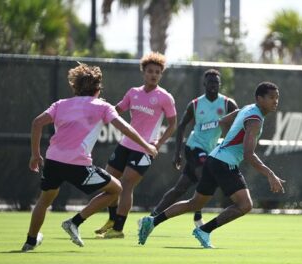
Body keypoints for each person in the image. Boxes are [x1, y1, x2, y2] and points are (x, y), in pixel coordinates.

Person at [21, 63, 158, 252]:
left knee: (44, 201)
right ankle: (75, 222)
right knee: (116, 189)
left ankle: (30, 241)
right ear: (98, 88)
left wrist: (35, 155)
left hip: (53, 161)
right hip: (78, 165)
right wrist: (147, 146)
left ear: (75, 87)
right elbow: (125, 128)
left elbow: (37, 123)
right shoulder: (102, 107)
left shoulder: (61, 104)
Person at [138, 81, 285, 248]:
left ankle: (152, 221)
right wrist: (270, 174)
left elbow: (223, 121)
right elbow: (248, 154)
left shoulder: (248, 109)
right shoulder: (255, 119)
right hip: (224, 163)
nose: (275, 101)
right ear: (259, 99)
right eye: (271, 97)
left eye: (277, 97)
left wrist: (226, 142)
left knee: (195, 203)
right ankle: (204, 230)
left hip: (213, 158)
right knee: (245, 205)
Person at [96, 52, 177, 238]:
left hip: (145, 148)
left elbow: (173, 124)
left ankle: (118, 229)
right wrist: (100, 107)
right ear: (143, 72)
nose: (154, 75)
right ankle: (111, 219)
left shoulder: (165, 97)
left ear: (161, 74)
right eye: (150, 71)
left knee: (125, 185)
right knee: (109, 182)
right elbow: (116, 111)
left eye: (157, 72)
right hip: (125, 144)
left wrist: (158, 143)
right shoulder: (133, 93)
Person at [150, 69, 238, 227]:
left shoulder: (227, 103)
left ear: (220, 84)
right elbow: (181, 126)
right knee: (206, 176)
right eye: (210, 82)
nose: (213, 85)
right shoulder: (196, 104)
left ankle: (152, 216)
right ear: (204, 83)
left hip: (210, 150)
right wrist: (177, 153)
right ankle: (197, 216)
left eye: (216, 82)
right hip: (194, 147)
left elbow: (238, 123)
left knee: (180, 188)